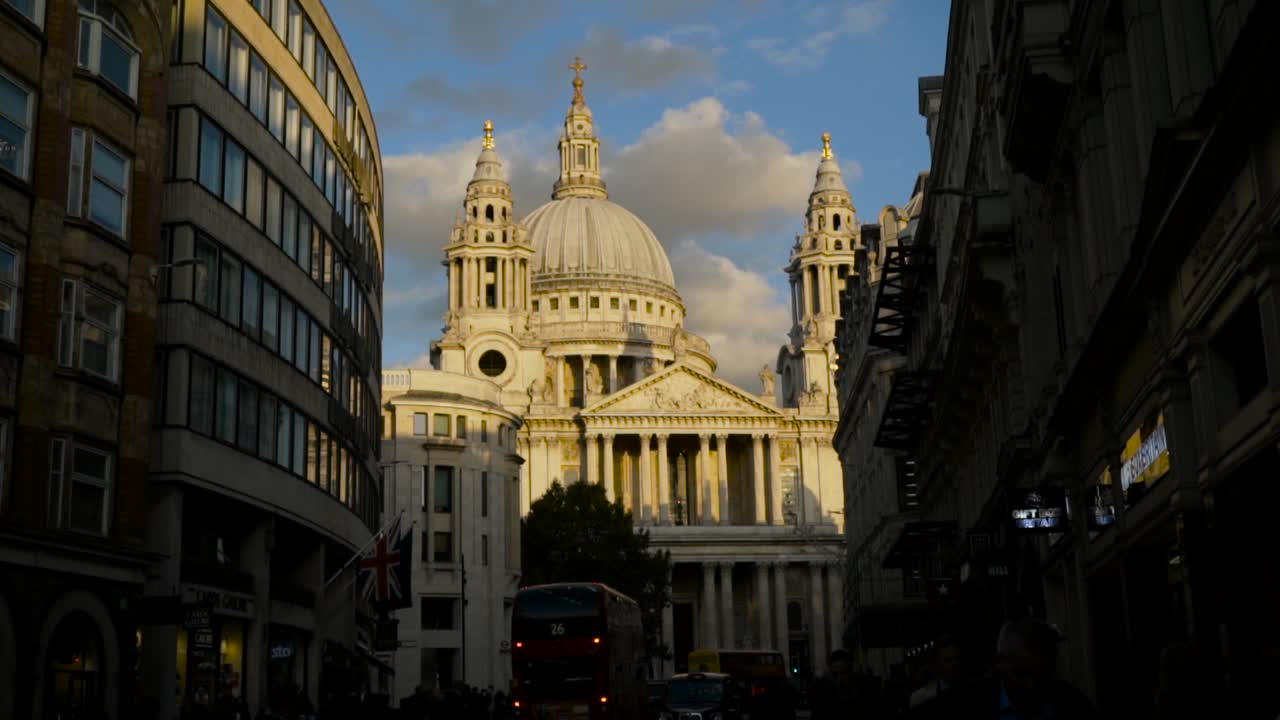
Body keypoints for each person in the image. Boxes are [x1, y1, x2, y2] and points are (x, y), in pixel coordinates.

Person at [909, 618, 1099, 719]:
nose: (1031, 685)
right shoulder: (959, 707)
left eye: (1042, 676)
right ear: (999, 663)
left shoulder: (1074, 706)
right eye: (1020, 674)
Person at [908, 634, 966, 709]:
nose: (953, 664)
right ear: (938, 664)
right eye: (947, 660)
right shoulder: (921, 697)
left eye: (956, 658)